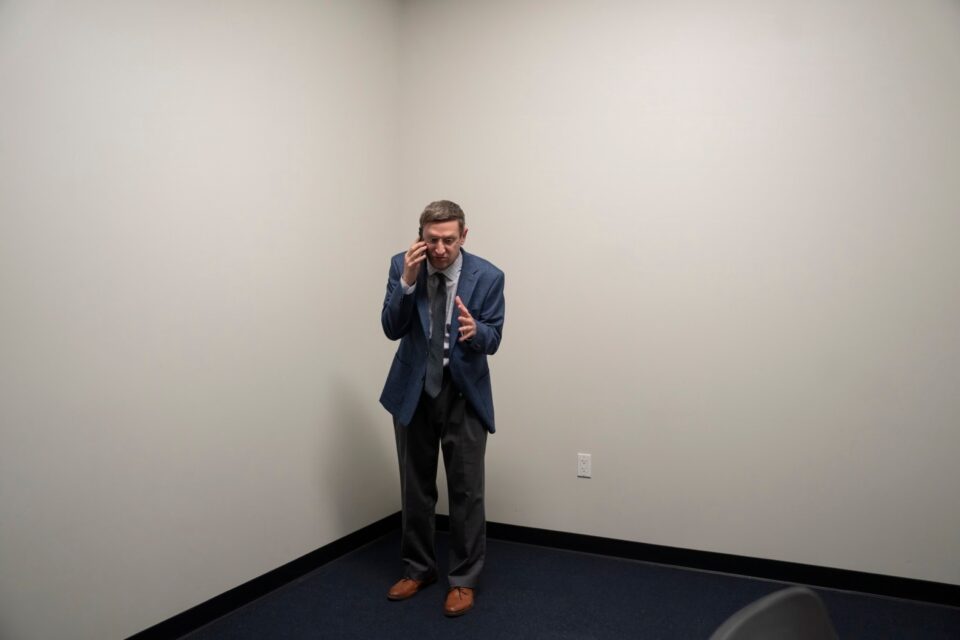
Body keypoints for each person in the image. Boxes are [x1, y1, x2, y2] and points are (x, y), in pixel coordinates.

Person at [379, 200, 505, 617]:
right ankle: (418, 569)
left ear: (463, 236)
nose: (440, 249)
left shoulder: (488, 276)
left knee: (466, 492)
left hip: (462, 393)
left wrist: (476, 331)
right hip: (413, 392)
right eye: (432, 240)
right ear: (420, 237)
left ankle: (464, 579)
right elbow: (391, 328)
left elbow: (494, 337)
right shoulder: (403, 266)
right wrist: (407, 281)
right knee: (415, 487)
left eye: (449, 240)